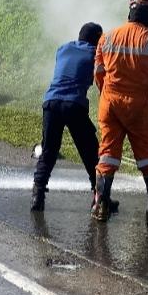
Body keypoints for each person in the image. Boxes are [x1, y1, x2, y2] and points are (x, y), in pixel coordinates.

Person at [92, 0, 148, 226]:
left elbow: (98, 74)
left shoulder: (107, 37)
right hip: (139, 107)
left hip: (110, 104)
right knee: (146, 155)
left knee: (107, 154)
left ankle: (101, 205)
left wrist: (108, 95)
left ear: (131, 11)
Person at [31, 22, 118, 215]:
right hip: (74, 104)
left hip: (51, 102)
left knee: (49, 151)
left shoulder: (63, 48)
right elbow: (104, 77)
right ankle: (100, 197)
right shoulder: (95, 53)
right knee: (90, 153)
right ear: (97, 39)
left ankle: (37, 195)